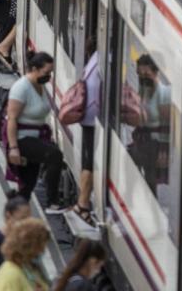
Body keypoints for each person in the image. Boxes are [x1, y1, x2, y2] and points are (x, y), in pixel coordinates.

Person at [6, 52, 64, 211]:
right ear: (34, 69)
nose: (49, 76)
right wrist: (13, 148)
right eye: (46, 72)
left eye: (51, 73)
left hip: (37, 138)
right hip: (22, 139)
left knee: (28, 184)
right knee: (55, 155)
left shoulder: (39, 86)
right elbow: (11, 119)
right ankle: (52, 202)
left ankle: (15, 211)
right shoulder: (21, 88)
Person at [132, 54, 171, 191]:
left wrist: (164, 151)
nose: (143, 77)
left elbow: (166, 124)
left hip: (156, 145)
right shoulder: (143, 91)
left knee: (150, 179)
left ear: (155, 73)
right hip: (144, 142)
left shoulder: (164, 93)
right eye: (140, 73)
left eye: (146, 73)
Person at [73, 39, 101, 225]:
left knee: (87, 162)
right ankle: (82, 205)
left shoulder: (95, 60)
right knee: (89, 164)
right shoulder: (104, 61)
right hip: (92, 120)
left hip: (87, 117)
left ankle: (81, 203)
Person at [0, 218, 50, 291]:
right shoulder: (10, 276)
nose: (42, 251)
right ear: (28, 247)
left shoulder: (27, 268)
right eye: (40, 247)